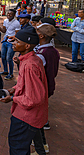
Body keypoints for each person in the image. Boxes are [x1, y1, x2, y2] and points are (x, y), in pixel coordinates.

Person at [0, 27, 48, 155]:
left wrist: (12, 98)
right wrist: (13, 89)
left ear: (26, 46)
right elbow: (26, 84)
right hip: (27, 115)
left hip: (26, 116)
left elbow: (33, 99)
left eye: (17, 41)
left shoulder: (30, 65)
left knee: (17, 146)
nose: (13, 43)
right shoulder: (30, 60)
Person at [32, 23, 60, 153]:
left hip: (40, 89)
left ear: (41, 36)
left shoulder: (41, 54)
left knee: (36, 118)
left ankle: (42, 145)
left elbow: (35, 74)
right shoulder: (53, 51)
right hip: (48, 86)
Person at [0, 9, 21, 80]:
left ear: (14, 15)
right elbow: (4, 31)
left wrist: (11, 38)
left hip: (11, 42)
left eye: (10, 14)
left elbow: (17, 35)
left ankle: (11, 74)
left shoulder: (17, 23)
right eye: (8, 14)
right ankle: (5, 71)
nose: (8, 15)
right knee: (3, 57)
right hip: (5, 41)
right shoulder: (5, 21)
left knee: (9, 58)